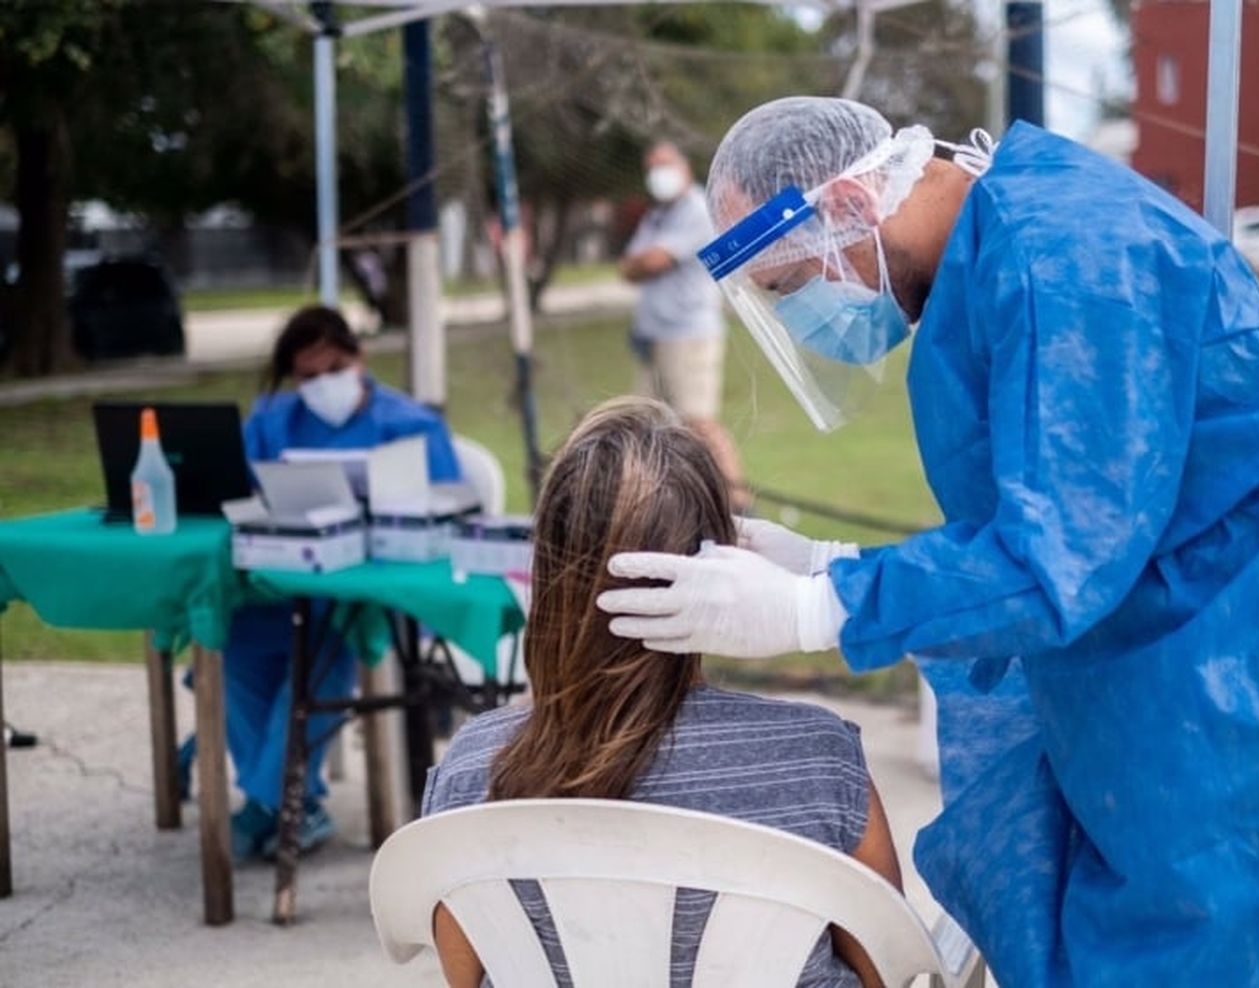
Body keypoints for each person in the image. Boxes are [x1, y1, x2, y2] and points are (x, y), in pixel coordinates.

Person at [596, 96, 1259, 986]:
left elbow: (1054, 559)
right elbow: (1051, 516)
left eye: (795, 286)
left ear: (850, 206)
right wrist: (839, 565)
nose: (810, 317)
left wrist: (819, 605)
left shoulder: (1065, 258)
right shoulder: (997, 249)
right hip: (1176, 633)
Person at [421, 397, 899, 988]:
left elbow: (465, 978)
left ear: (547, 566)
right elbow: (889, 972)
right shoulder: (818, 759)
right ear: (725, 562)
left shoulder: (473, 772)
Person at [225, 304, 460, 862]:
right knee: (233, 642)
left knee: (327, 645)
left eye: (333, 369)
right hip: (284, 586)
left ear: (358, 358)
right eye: (307, 377)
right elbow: (234, 495)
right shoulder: (270, 423)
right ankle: (296, 802)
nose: (322, 385)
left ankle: (265, 805)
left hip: (372, 599)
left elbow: (450, 514)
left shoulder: (412, 425)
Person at [619, 141, 745, 505]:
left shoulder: (696, 209)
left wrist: (641, 263)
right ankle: (660, 504)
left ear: (684, 166)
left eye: (665, 164)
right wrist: (639, 263)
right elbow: (628, 267)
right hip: (654, 336)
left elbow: (653, 261)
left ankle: (741, 507)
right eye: (651, 166)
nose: (658, 173)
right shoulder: (657, 216)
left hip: (690, 336)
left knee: (699, 423)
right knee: (649, 424)